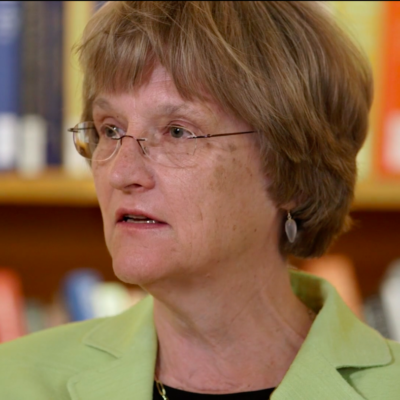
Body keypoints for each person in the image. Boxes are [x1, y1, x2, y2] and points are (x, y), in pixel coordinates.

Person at [1, 1, 399, 399]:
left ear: (295, 175)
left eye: (177, 132)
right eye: (110, 129)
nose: (122, 173)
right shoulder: (15, 381)